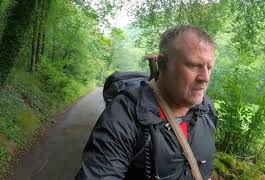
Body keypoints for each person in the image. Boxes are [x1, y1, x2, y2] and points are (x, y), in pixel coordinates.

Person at [76, 25, 218, 180]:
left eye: (209, 68)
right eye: (193, 65)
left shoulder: (207, 109)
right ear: (163, 63)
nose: (205, 77)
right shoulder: (125, 114)